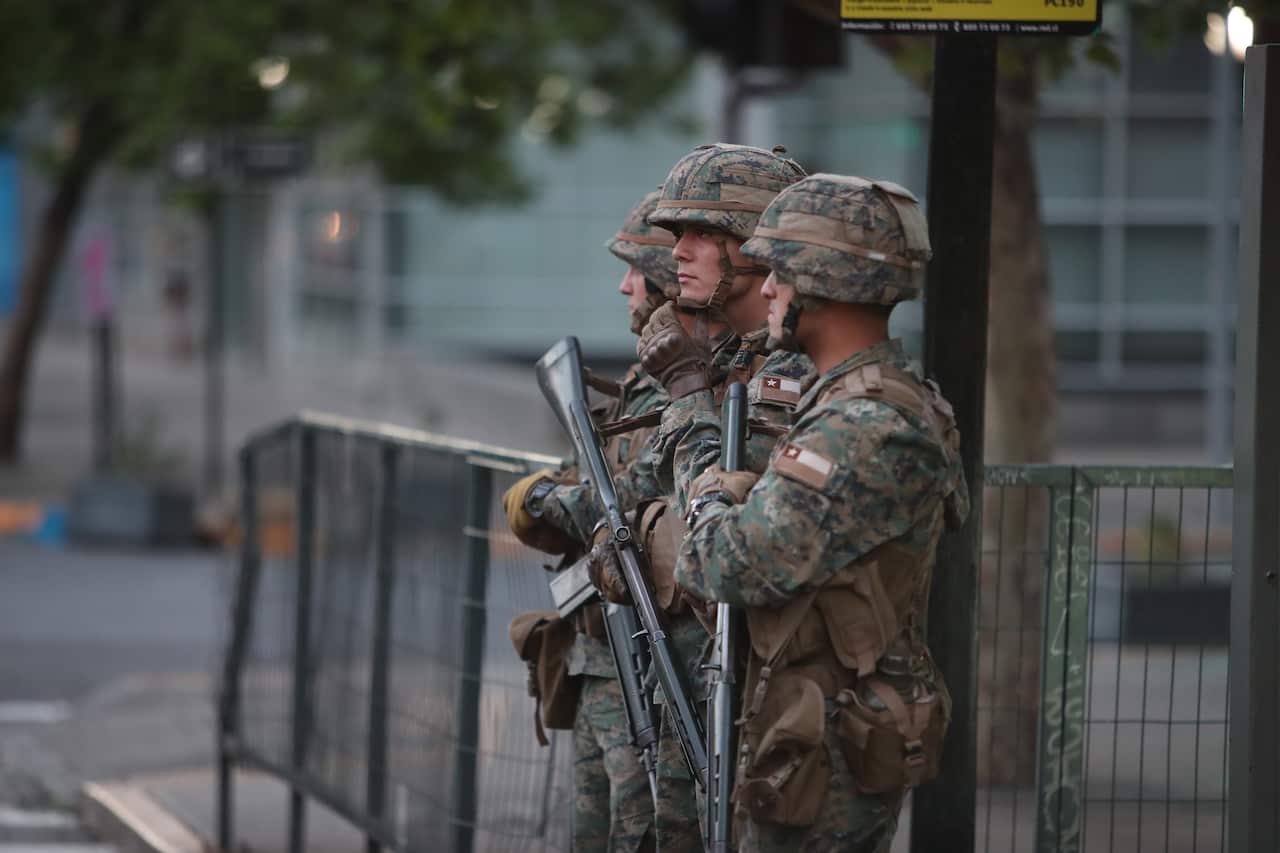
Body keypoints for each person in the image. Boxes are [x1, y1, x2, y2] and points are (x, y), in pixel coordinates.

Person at [669, 173, 970, 851]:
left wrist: (714, 492)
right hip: (806, 724)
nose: (767, 289)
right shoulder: (857, 403)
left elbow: (727, 563)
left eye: (778, 272)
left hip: (829, 742)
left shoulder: (864, 423)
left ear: (823, 281)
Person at [590, 142, 814, 851]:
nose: (676, 252)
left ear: (752, 247)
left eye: (700, 234)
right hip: (690, 676)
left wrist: (687, 393)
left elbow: (714, 519)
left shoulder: (789, 372)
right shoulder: (729, 360)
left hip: (755, 690)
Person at [502, 190, 677, 852]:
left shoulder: (682, 386)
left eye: (636, 269)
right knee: (590, 832)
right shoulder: (645, 378)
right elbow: (594, 476)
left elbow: (627, 498)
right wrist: (551, 495)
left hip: (643, 659)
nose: (624, 283)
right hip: (598, 653)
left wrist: (544, 500)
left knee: (639, 832)